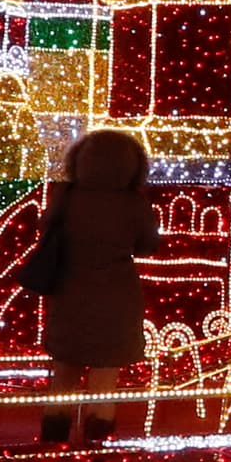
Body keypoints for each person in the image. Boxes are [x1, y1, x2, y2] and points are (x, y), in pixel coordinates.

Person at [36, 128, 158, 444]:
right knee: (105, 379)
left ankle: (53, 446)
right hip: (118, 300)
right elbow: (147, 245)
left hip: (70, 295)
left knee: (63, 376)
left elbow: (47, 230)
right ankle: (95, 448)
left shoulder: (66, 196)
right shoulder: (134, 204)